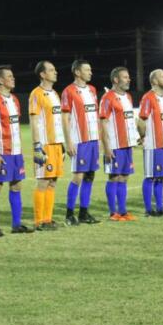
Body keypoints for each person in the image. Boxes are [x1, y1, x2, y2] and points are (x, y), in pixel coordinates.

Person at [0, 65, 33, 237]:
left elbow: (16, 126)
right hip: (1, 151)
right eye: (10, 76)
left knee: (17, 185)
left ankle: (16, 224)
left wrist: (21, 150)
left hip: (16, 151)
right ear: (0, 80)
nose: (13, 79)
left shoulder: (14, 99)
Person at [61, 59, 101, 225]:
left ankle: (84, 212)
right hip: (79, 140)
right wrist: (68, 141)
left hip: (93, 140)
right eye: (87, 69)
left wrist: (99, 139)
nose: (90, 72)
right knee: (77, 176)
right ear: (77, 72)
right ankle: (69, 214)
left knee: (90, 176)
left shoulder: (92, 90)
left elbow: (96, 115)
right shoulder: (68, 91)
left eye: (90, 69)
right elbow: (65, 117)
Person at [28, 61, 65, 231]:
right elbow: (34, 121)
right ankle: (38, 221)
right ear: (42, 75)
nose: (55, 72)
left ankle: (48, 219)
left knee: (53, 182)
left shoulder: (55, 94)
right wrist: (37, 145)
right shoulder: (37, 94)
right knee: (43, 181)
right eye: (51, 70)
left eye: (55, 69)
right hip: (45, 144)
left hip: (57, 144)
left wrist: (62, 144)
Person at [100, 67, 140, 221]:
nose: (128, 79)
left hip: (127, 144)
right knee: (114, 177)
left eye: (128, 76)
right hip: (114, 145)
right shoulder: (107, 98)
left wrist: (135, 137)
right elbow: (103, 123)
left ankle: (123, 211)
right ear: (116, 79)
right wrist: (106, 147)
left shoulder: (128, 97)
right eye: (125, 77)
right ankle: (113, 213)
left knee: (124, 177)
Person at [137, 69, 163, 217]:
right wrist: (143, 136)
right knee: (150, 176)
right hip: (153, 144)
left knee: (160, 177)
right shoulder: (148, 98)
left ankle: (160, 208)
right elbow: (141, 120)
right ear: (154, 81)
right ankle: (148, 210)